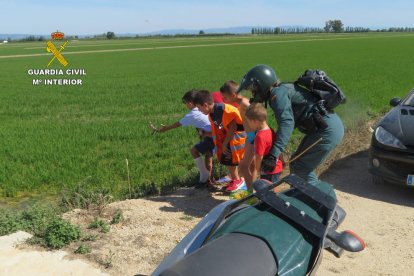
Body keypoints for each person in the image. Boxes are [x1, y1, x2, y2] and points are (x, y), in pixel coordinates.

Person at [237, 64, 344, 186]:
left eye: (253, 88)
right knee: (297, 163)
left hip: (326, 130)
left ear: (261, 84)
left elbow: (287, 123)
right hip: (324, 127)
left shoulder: (277, 95)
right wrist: (277, 152)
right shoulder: (280, 91)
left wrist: (273, 155)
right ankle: (308, 195)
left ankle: (319, 198)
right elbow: (287, 123)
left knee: (300, 167)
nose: (253, 92)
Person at [155, 90, 214, 187]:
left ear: (190, 103)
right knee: (208, 155)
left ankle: (205, 175)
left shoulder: (192, 114)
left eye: (185, 103)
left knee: (194, 151)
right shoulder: (202, 109)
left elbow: (177, 124)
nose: (186, 105)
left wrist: (164, 129)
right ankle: (208, 180)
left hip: (211, 136)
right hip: (212, 134)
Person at [193, 90, 247, 192]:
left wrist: (225, 143)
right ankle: (235, 179)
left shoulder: (222, 110)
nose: (200, 111)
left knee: (229, 157)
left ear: (205, 105)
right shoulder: (212, 114)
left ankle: (237, 180)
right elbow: (220, 127)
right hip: (229, 137)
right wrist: (208, 135)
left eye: (199, 109)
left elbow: (233, 127)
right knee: (226, 157)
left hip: (237, 137)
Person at [220, 80, 256, 189]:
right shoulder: (240, 103)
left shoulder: (245, 103)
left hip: (253, 136)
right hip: (249, 136)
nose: (224, 100)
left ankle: (251, 191)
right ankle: (251, 189)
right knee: (250, 165)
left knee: (246, 165)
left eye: (225, 97)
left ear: (233, 95)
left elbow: (258, 118)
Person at [245, 103, 283, 183]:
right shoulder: (271, 130)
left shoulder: (260, 136)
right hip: (277, 166)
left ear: (255, 121)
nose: (248, 124)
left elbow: (259, 156)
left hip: (268, 170)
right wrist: (282, 160)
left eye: (248, 122)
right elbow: (278, 146)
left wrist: (258, 170)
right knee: (273, 190)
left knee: (268, 192)